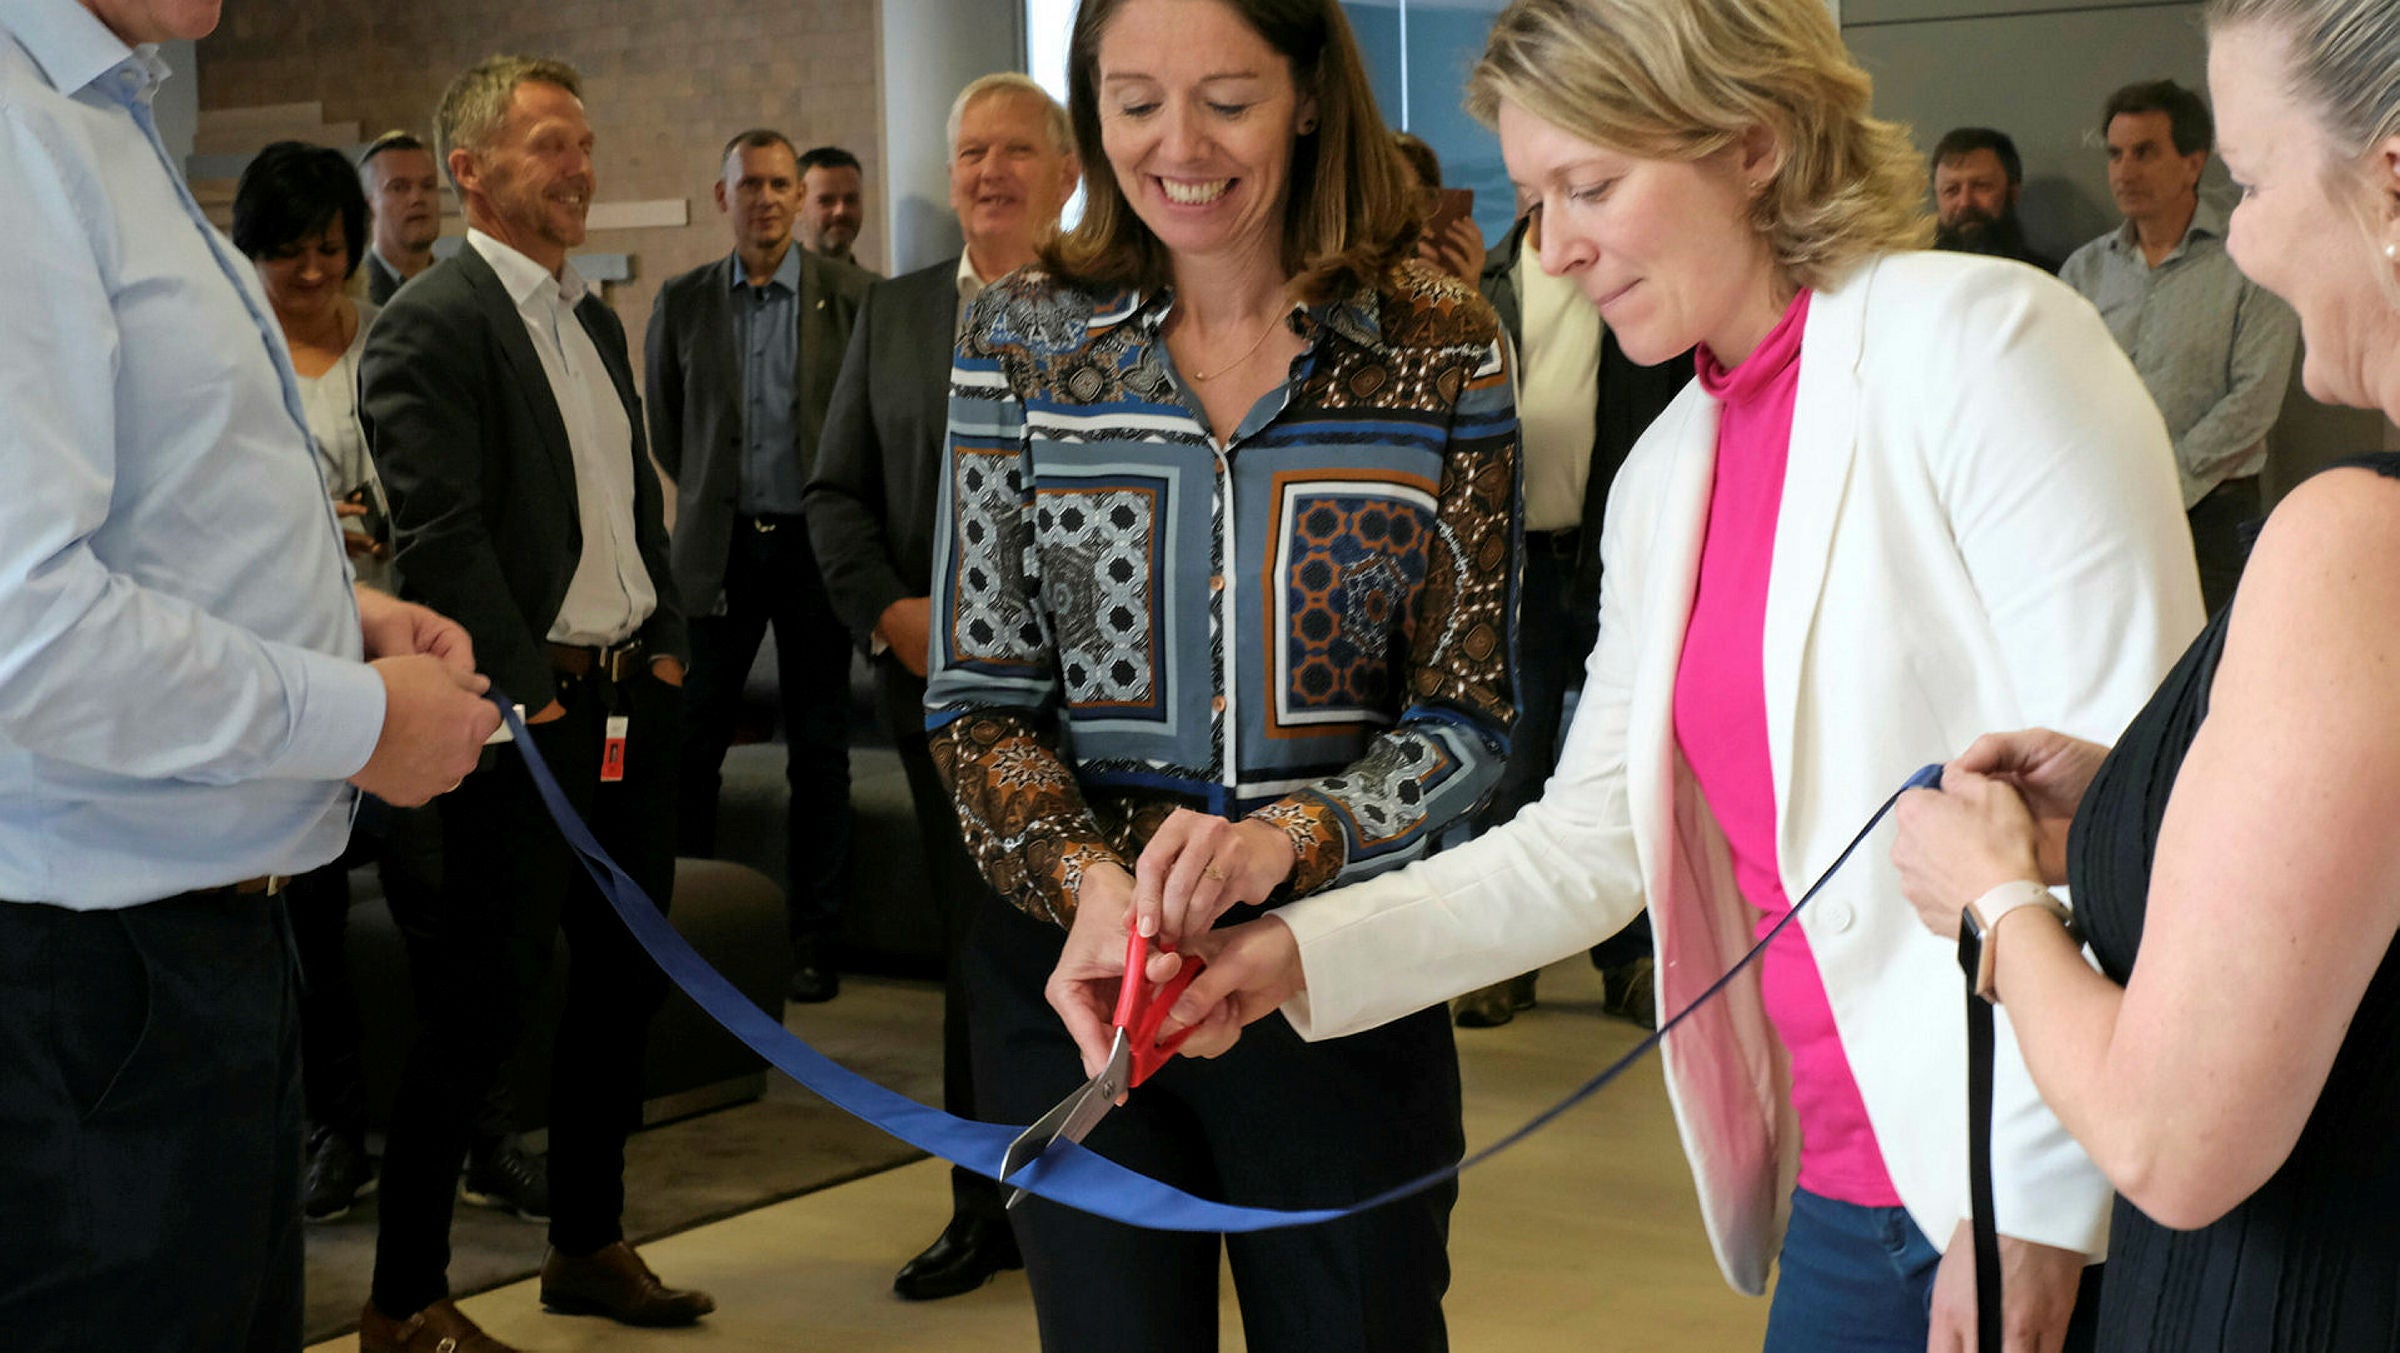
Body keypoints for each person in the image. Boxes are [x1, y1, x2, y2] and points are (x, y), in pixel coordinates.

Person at [1159, 1, 2209, 1349]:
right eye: (1537, 199)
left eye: (1592, 186)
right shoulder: (1670, 467)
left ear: (1754, 143)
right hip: (1846, 1185)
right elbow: (1594, 842)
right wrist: (1289, 952)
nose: (1556, 246)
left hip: (2028, 1183)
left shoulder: (1984, 342)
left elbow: (2138, 815)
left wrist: (2038, 1209)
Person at [924, 1, 1520, 1347]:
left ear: (1309, 94)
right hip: (1079, 991)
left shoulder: (1439, 341)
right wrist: (1088, 882)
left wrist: (1287, 841)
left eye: (1227, 101)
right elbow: (978, 701)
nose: (1178, 147)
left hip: (1335, 980)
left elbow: (1468, 713)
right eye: (1136, 103)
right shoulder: (1020, 335)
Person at [1891, 1, 2400, 1348]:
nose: (2253, 240)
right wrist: (2156, 801)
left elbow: (2172, 1142)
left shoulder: (2356, 549)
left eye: (2256, 183)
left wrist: (1995, 903)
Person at [0, 0, 497, 1344]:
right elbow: (21, 626)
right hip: (95, 970)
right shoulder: (19, 132)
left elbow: (157, 516)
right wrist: (354, 719)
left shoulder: (104, 112)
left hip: (190, 944)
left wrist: (340, 618)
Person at [358, 53, 712, 1352]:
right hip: (522, 724)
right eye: (550, 144)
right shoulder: (433, 321)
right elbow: (439, 536)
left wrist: (667, 643)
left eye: (585, 144)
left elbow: (632, 509)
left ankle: (585, 1243)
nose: (580, 167)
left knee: (622, 990)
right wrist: (530, 699)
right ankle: (402, 1299)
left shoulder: (592, 321)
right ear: (470, 171)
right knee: (479, 1010)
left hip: (629, 708)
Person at [804, 71, 1078, 1302]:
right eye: (970, 152)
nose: (989, 172)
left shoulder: (1117, 304)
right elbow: (835, 492)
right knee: (979, 955)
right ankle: (986, 1206)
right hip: (942, 700)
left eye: (1015, 150)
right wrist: (889, 614)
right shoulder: (898, 311)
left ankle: (1123, 1201)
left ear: (1067, 173)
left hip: (1096, 707)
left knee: (1106, 947)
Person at [1449, 179, 1693, 1031]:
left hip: (1617, 555)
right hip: (1511, 566)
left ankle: (1629, 960)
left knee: (1629, 762)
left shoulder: (1624, 275)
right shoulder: (1482, 281)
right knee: (1511, 766)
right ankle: (1506, 960)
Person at [647, 128, 872, 1004]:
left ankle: (817, 938)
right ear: (724, 196)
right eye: (751, 184)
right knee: (691, 742)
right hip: (720, 551)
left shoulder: (854, 298)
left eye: (781, 184)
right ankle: (688, 930)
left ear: (799, 196)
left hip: (818, 550)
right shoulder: (684, 300)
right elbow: (670, 430)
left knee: (819, 751)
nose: (767, 198)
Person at [232, 137, 398, 1223]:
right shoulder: (231, 345)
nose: (309, 271)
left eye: (329, 249)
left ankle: (475, 1131)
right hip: (288, 657)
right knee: (315, 916)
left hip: (397, 647)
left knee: (442, 900)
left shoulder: (388, 336)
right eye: (287, 251)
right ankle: (333, 1129)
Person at [2060, 79, 2299, 616]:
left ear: (2193, 163)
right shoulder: (2084, 270)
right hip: (2105, 509)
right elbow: (2062, 388)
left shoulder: (2248, 261)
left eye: (2145, 153)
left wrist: (2165, 477)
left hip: (2213, 511)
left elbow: (2254, 400)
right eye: (2115, 154)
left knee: (2215, 658)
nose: (2124, 171)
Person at [1930, 126, 2058, 272]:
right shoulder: (1914, 277)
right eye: (1951, 190)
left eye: (1981, 186)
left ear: (2013, 193)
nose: (1965, 202)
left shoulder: (2047, 279)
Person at [359, 129, 444, 304]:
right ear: (369, 205)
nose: (417, 198)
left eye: (428, 185)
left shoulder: (464, 288)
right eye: (398, 187)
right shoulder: (351, 298)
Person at [796, 144, 868, 267]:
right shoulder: (772, 278)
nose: (841, 211)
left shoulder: (871, 280)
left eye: (850, 199)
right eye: (826, 200)